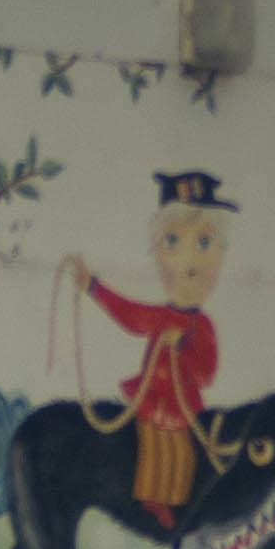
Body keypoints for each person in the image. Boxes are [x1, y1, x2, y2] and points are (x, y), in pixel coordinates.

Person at [66, 171, 230, 515]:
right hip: (154, 402)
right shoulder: (160, 317)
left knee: (183, 456)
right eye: (173, 242)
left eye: (203, 244)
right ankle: (151, 502)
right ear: (159, 253)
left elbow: (206, 376)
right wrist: (92, 286)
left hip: (183, 409)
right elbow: (129, 314)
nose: (189, 262)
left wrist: (182, 348)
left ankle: (174, 505)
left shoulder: (203, 327)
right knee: (155, 450)